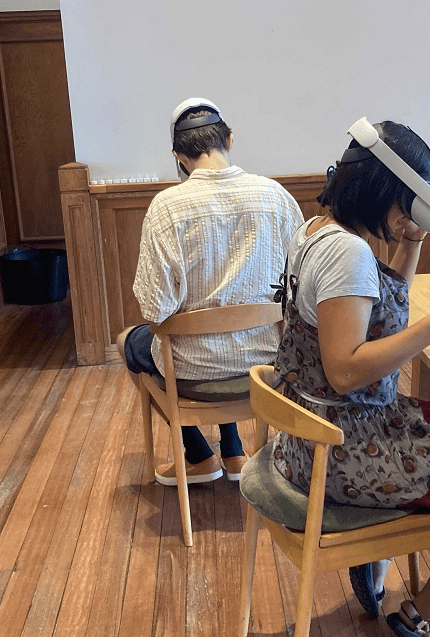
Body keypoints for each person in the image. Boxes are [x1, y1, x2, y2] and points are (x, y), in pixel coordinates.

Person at [270, 120, 430, 637]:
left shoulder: (317, 230)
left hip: (315, 436)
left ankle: (382, 556)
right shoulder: (347, 255)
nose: (411, 218)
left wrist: (412, 242)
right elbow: (346, 370)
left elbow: (380, 310)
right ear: (388, 194)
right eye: (409, 209)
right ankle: (421, 614)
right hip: (347, 448)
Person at [118, 97, 302, 487]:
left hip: (192, 373)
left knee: (127, 342)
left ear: (178, 157)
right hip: (266, 366)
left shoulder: (167, 207)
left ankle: (199, 455)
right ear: (229, 140)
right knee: (230, 339)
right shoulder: (277, 198)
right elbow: (300, 287)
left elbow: (155, 312)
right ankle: (234, 453)